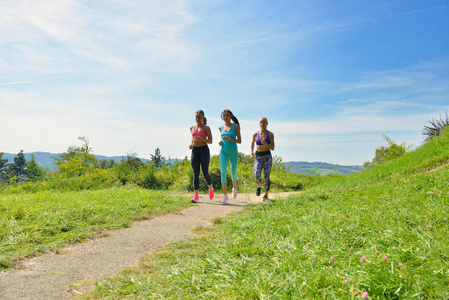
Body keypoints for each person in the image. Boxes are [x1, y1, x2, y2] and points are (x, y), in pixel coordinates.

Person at [189, 110, 214, 203]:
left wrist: (202, 139)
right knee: (195, 173)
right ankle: (196, 195)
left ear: (203, 118)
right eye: (196, 117)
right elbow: (192, 138)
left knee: (205, 172)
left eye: (199, 117)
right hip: (195, 151)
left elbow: (210, 141)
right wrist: (191, 144)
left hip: (204, 150)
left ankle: (210, 188)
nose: (197, 119)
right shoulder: (192, 128)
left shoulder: (206, 128)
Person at [218, 109, 241, 204]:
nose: (225, 117)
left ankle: (234, 188)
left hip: (233, 151)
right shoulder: (220, 127)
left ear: (231, 116)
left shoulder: (236, 127)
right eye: (224, 115)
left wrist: (229, 139)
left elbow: (239, 141)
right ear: (222, 117)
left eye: (227, 115)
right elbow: (222, 140)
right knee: (223, 172)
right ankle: (225, 195)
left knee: (233, 171)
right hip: (223, 151)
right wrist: (220, 142)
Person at [251, 117, 275, 201]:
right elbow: (252, 143)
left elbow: (272, 147)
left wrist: (266, 144)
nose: (262, 124)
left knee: (266, 177)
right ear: (259, 123)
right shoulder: (255, 134)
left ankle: (265, 195)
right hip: (258, 156)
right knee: (256, 176)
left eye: (264, 122)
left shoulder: (270, 134)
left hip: (267, 156)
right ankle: (259, 186)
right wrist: (251, 154)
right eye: (261, 122)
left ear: (267, 123)